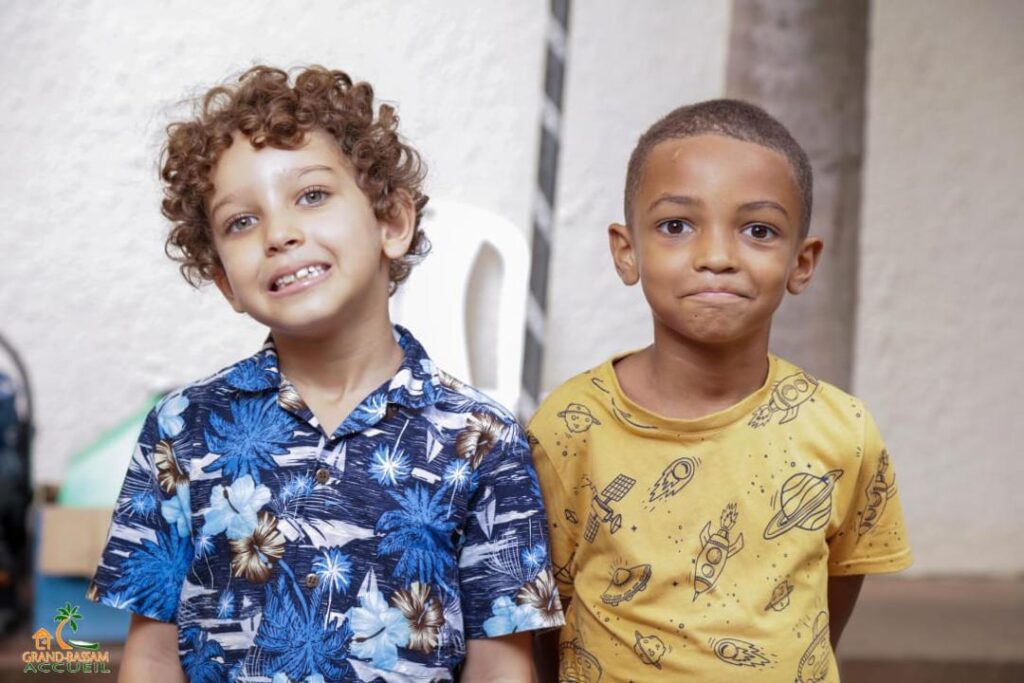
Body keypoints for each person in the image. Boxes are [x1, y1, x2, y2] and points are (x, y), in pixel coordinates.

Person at [87, 65, 562, 682]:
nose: (280, 234)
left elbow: (501, 668)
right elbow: (151, 657)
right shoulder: (182, 429)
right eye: (241, 221)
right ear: (226, 282)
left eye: (311, 196)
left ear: (391, 222)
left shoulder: (483, 439)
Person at [528, 99, 911, 681]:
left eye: (758, 231)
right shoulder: (570, 425)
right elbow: (540, 611)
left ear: (802, 262)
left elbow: (829, 602)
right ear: (627, 252)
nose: (716, 258)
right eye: (676, 226)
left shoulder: (842, 430)